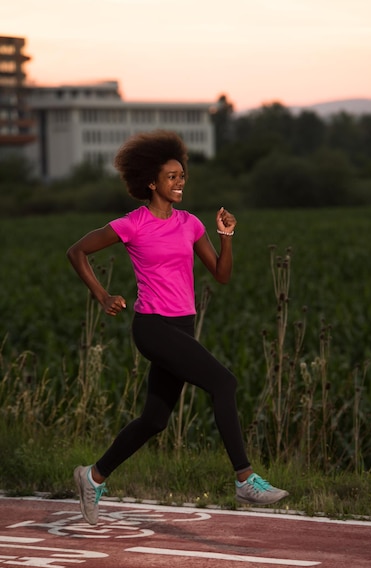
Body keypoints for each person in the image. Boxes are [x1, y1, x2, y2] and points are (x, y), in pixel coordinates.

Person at [67, 130, 289, 525]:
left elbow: (221, 275)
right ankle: (244, 479)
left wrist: (226, 236)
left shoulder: (189, 224)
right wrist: (102, 295)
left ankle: (92, 476)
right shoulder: (132, 224)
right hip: (153, 326)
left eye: (182, 175)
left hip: (183, 327)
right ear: (152, 182)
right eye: (172, 177)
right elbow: (77, 251)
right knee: (225, 383)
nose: (180, 181)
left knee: (155, 420)